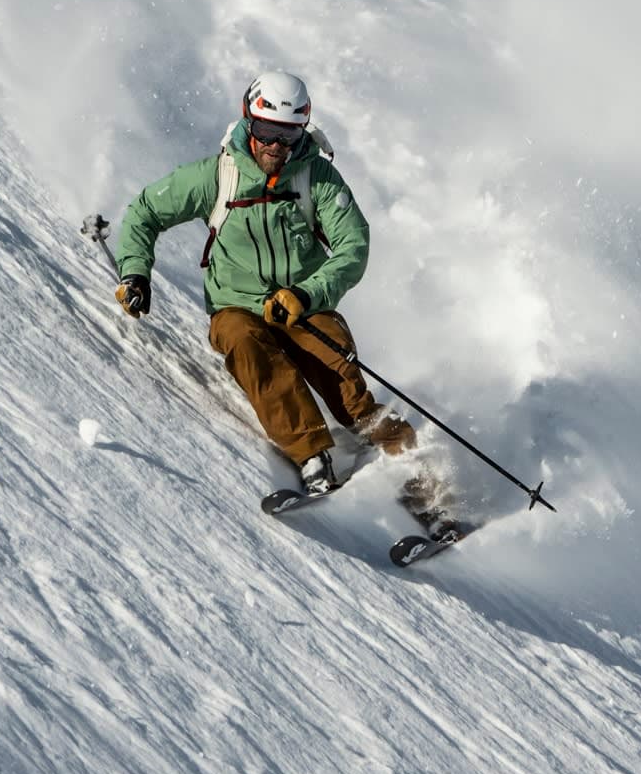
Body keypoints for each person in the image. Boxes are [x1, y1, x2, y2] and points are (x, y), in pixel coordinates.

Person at [113, 71, 415, 492]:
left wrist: (307, 293)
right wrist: (135, 272)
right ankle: (312, 457)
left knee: (347, 391)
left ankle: (418, 475)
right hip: (236, 306)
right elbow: (145, 212)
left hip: (302, 304)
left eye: (288, 134)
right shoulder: (218, 176)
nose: (276, 144)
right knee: (248, 345)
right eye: (266, 130)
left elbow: (354, 245)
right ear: (248, 121)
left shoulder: (317, 179)